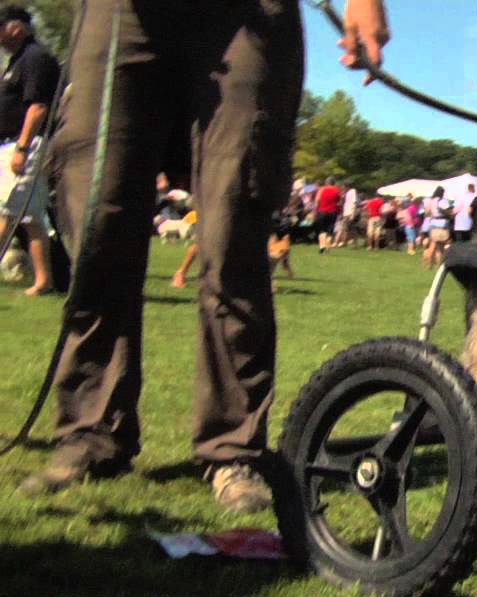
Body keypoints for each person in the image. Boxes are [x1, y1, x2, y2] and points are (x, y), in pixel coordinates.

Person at [18, 1, 391, 512]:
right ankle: (90, 432)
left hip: (248, 13)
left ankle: (232, 446)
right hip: (122, 14)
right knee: (97, 214)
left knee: (236, 219)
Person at [0, 7, 59, 297]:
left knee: (7, 210)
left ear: (16, 28)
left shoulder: (35, 58)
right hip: (12, 144)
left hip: (25, 143)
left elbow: (37, 107)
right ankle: (44, 280)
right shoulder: (17, 60)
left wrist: (22, 147)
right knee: (31, 217)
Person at [421, 185, 452, 267]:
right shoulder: (442, 201)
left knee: (434, 245)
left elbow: (426, 213)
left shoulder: (431, 201)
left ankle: (428, 263)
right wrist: (449, 214)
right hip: (441, 225)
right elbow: (448, 211)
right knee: (439, 248)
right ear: (442, 193)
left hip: (432, 224)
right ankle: (437, 265)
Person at [314, 176, 340, 252]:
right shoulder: (337, 190)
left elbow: (317, 200)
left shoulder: (322, 189)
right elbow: (338, 202)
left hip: (322, 211)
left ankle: (322, 246)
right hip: (333, 212)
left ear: (326, 182)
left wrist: (315, 211)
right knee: (330, 229)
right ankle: (328, 245)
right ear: (334, 183)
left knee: (321, 229)